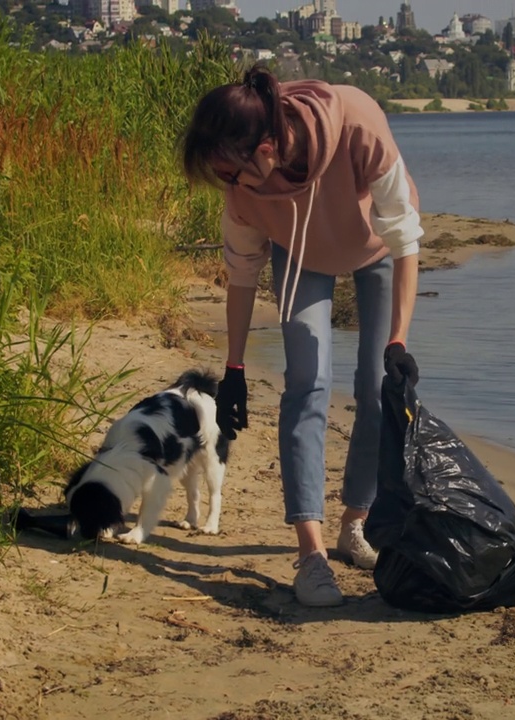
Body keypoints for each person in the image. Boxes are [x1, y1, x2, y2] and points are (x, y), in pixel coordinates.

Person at [182, 65, 422, 607]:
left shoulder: (358, 124)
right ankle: (311, 555)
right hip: (302, 253)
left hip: (377, 247)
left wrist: (400, 342)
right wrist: (235, 367)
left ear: (267, 146)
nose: (230, 185)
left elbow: (405, 241)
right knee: (307, 384)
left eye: (234, 172)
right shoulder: (240, 190)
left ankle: (355, 523)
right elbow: (242, 276)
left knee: (374, 387)